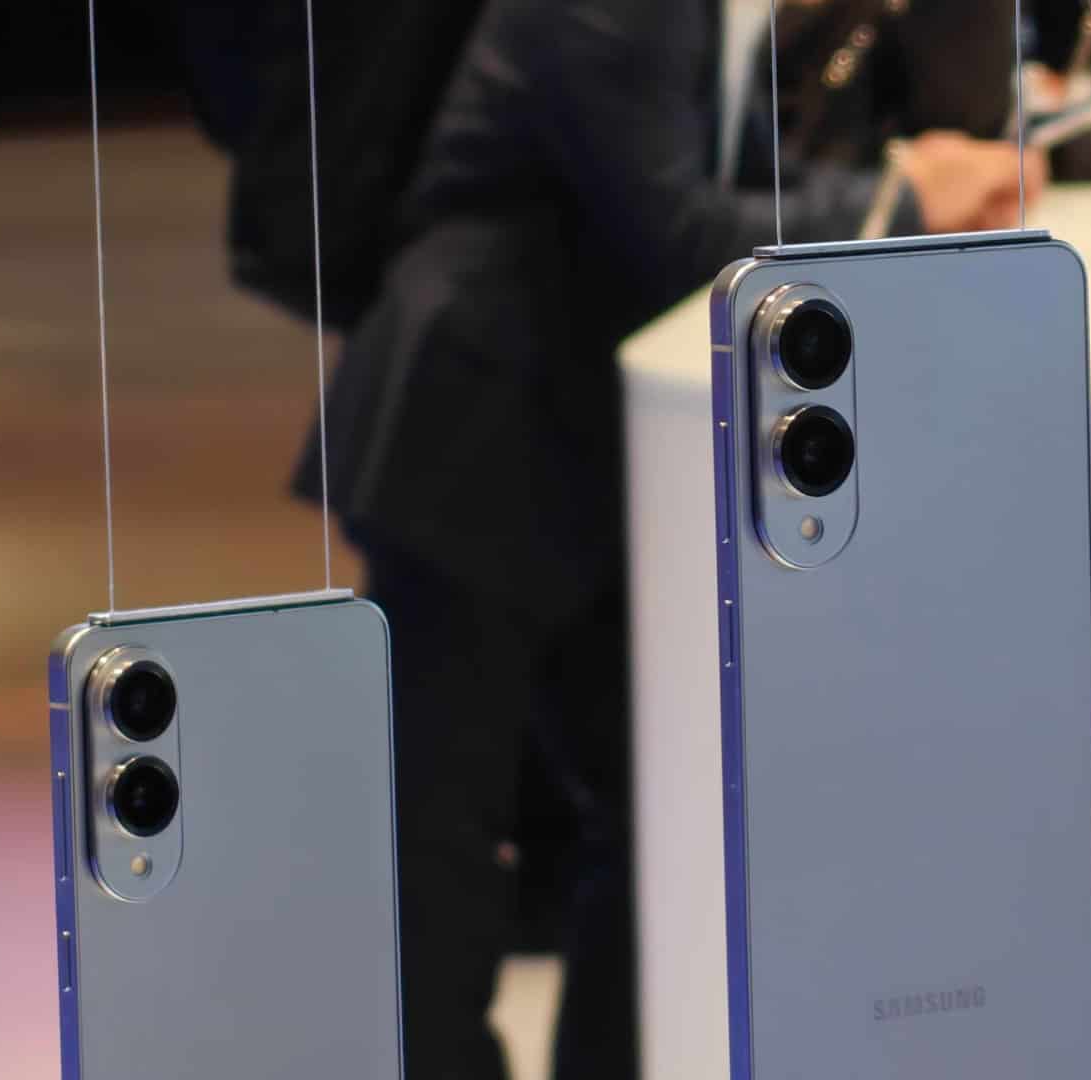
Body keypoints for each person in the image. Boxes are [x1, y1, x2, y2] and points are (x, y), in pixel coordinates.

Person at [293, 0, 1046, 1076]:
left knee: (648, 806)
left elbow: (728, 184)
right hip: (469, 433)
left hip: (571, 450)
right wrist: (904, 196)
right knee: (441, 836)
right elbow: (682, 234)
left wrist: (902, 182)